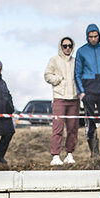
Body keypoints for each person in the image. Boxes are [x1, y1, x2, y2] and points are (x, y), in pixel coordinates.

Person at [74, 23, 100, 156]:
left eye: (95, 36)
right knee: (90, 123)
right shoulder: (81, 51)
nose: (93, 39)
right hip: (89, 91)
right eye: (91, 36)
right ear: (87, 37)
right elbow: (77, 74)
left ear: (99, 36)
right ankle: (95, 153)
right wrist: (82, 93)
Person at [43, 36, 79, 165]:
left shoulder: (76, 61)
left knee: (72, 128)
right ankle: (55, 155)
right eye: (65, 46)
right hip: (59, 98)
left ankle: (69, 153)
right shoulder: (54, 60)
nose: (68, 48)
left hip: (74, 99)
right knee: (57, 128)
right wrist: (58, 80)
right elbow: (47, 75)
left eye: (70, 45)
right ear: (61, 47)